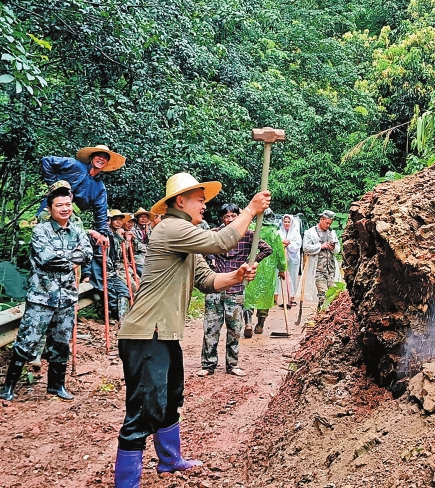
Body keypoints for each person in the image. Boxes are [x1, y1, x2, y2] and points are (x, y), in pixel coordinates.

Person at [113, 173, 270, 488]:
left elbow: (207, 280)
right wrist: (250, 210)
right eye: (200, 200)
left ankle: (170, 460)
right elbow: (221, 242)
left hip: (164, 334)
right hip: (145, 334)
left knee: (171, 397)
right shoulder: (171, 228)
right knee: (143, 411)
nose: (205, 205)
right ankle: (126, 483)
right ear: (180, 201)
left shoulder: (186, 238)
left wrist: (236, 276)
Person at [0, 181, 93, 402]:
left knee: (61, 343)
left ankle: (56, 386)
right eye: (59, 205)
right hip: (42, 297)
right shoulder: (40, 230)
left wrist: (70, 258)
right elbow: (47, 259)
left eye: (68, 205)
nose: (64, 209)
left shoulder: (77, 230)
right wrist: (72, 260)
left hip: (67, 297)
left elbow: (87, 253)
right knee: (27, 341)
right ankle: (9, 387)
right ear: (50, 208)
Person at [198, 203, 272, 377]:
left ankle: (232, 364)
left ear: (239, 216)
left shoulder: (248, 235)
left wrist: (252, 262)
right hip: (215, 288)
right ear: (222, 218)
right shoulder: (216, 234)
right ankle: (208, 365)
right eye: (226, 216)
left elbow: (267, 249)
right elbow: (202, 250)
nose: (230, 219)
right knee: (211, 328)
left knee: (235, 330)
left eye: (233, 216)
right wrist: (211, 258)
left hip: (236, 290)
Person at [39, 144, 126, 247]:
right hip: (50, 211)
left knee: (68, 248)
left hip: (70, 220)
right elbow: (47, 161)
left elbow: (101, 212)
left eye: (105, 157)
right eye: (98, 155)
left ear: (107, 162)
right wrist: (55, 188)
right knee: (43, 242)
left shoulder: (99, 187)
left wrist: (103, 233)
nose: (101, 159)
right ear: (91, 157)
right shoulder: (75, 165)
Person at [302, 210, 340, 310]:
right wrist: (320, 246)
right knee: (323, 294)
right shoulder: (311, 233)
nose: (328, 225)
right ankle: (323, 313)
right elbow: (305, 248)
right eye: (327, 223)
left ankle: (321, 313)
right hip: (318, 270)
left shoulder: (332, 233)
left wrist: (333, 247)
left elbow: (338, 250)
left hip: (331, 269)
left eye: (330, 223)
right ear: (321, 219)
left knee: (331, 295)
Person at [278, 214, 302, 307]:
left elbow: (297, 245)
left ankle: (291, 299)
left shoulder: (296, 233)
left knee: (292, 278)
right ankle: (282, 299)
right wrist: (282, 243)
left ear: (291, 223)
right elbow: (277, 243)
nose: (287, 223)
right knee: (283, 278)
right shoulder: (279, 232)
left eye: (288, 222)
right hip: (282, 259)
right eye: (285, 221)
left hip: (293, 259)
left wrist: (288, 244)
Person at [131, 208, 153, 274]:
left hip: (147, 255)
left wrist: (147, 230)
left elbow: (152, 241)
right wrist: (147, 247)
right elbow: (137, 245)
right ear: (137, 218)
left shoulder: (147, 228)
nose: (143, 219)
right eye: (141, 217)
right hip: (137, 256)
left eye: (145, 217)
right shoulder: (133, 229)